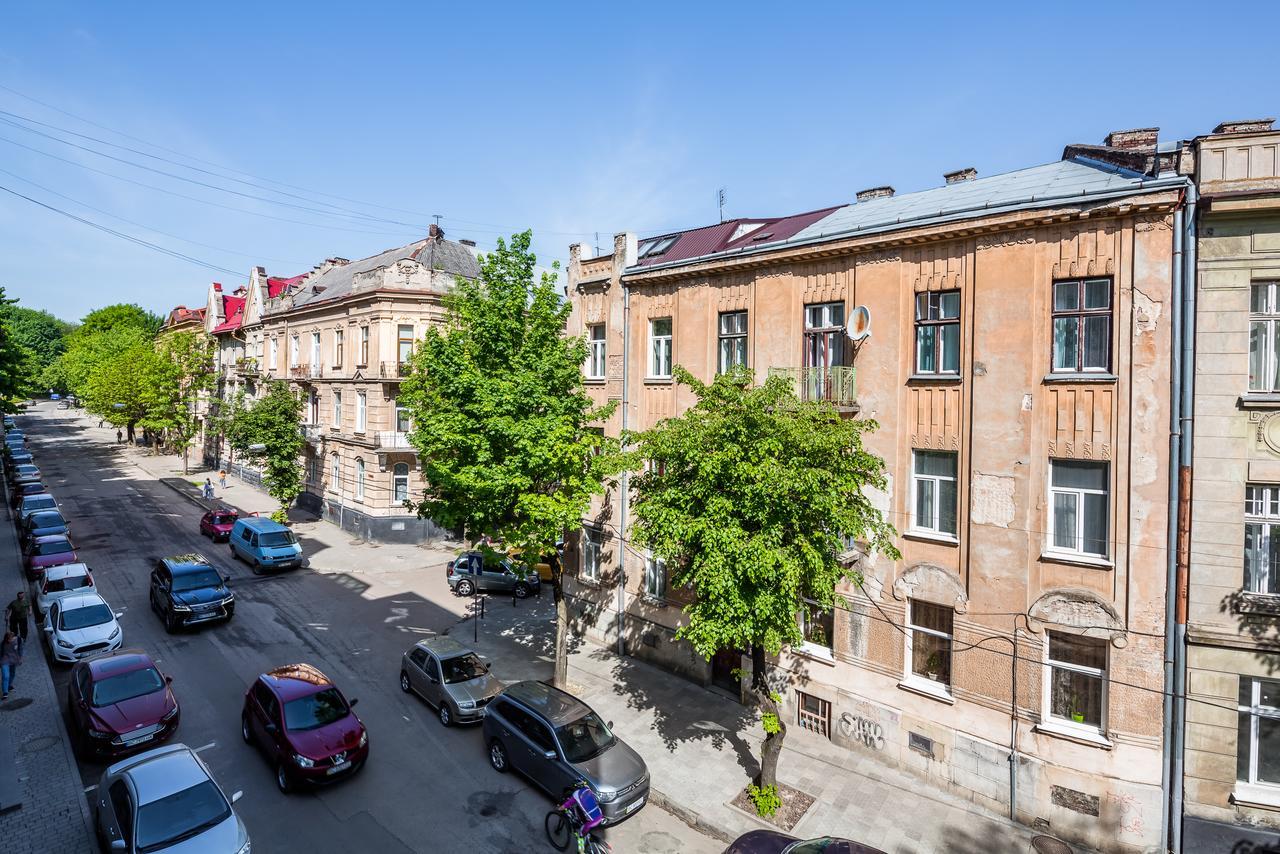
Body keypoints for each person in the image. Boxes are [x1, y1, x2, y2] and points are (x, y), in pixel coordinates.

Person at [1, 630, 20, 700]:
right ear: (6, 639)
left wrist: (19, 658)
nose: (10, 640)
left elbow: (19, 649)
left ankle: (9, 685)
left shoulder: (16, 640)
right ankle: (5, 692)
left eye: (11, 639)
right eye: (9, 639)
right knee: (6, 676)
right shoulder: (2, 644)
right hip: (5, 660)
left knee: (12, 673)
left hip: (13, 660)